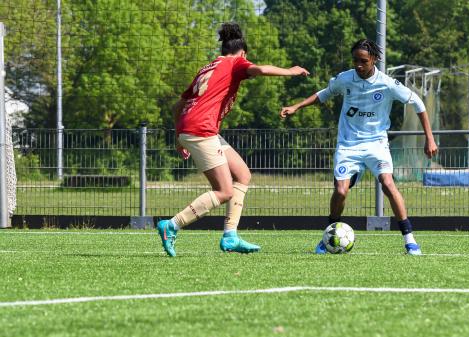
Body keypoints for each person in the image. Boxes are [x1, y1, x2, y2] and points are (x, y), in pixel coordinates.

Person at [157, 22, 309, 257]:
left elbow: (178, 106)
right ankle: (172, 225)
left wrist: (180, 136)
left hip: (194, 129)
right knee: (224, 190)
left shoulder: (207, 68)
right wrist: (291, 71)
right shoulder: (236, 63)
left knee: (242, 174)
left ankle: (230, 236)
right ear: (243, 53)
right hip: (202, 130)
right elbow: (259, 70)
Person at [280, 39, 437, 255]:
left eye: (363, 61)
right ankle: (329, 235)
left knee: (388, 184)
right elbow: (324, 94)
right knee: (341, 191)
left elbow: (418, 103)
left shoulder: (387, 84)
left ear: (374, 59)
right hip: (348, 145)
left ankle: (410, 241)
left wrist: (430, 138)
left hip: (376, 144)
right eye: (355, 60)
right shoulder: (345, 79)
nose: (358, 65)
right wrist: (296, 106)